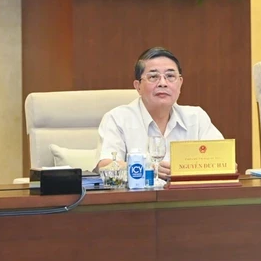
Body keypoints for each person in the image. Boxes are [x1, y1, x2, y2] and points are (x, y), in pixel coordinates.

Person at [96, 47, 223, 178]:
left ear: (180, 83)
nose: (163, 83)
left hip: (187, 196)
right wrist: (148, 169)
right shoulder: (117, 119)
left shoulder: (196, 118)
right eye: (153, 77)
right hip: (140, 197)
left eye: (170, 76)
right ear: (138, 86)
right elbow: (106, 166)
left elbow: (222, 159)